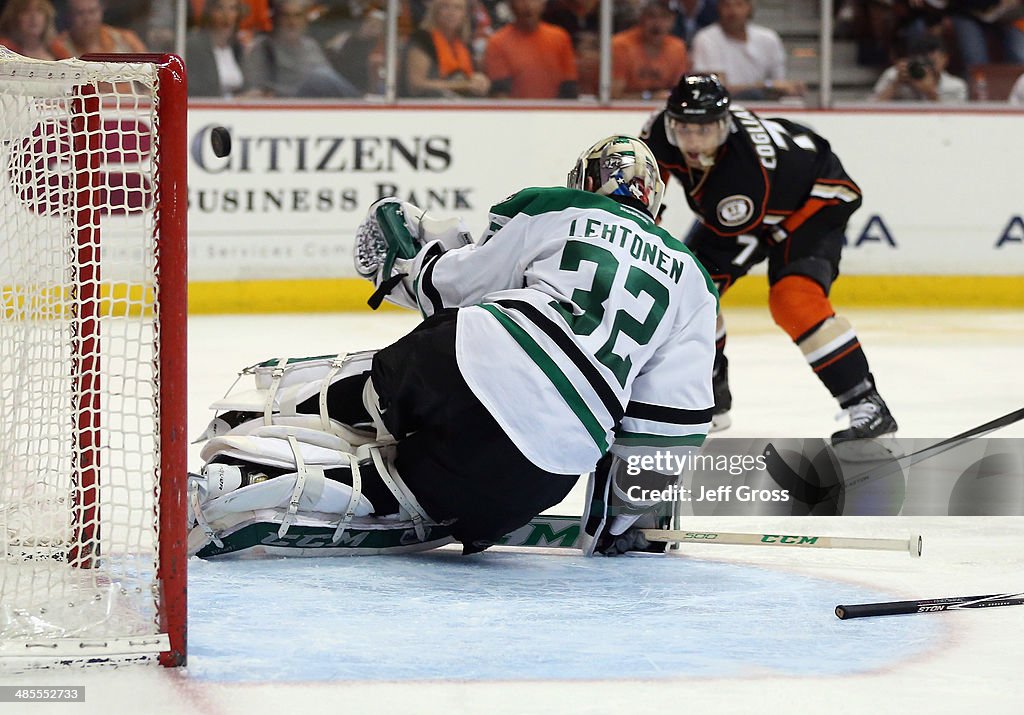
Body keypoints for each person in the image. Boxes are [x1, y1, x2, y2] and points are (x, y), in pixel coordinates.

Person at [187, 135, 718, 559]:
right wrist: (618, 520)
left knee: (373, 392)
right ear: (657, 203)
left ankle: (249, 421)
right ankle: (256, 483)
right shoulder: (694, 282)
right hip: (543, 466)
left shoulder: (557, 209)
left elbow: (455, 287)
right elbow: (667, 425)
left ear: (583, 182)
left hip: (466, 361)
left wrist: (413, 267)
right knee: (409, 493)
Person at [640, 74, 898, 446]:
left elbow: (742, 234)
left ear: (724, 124)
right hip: (751, 203)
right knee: (687, 290)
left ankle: (866, 403)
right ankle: (710, 400)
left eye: (705, 130)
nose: (693, 143)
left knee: (792, 299)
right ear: (669, 121)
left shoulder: (742, 174)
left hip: (817, 199)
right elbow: (649, 186)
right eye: (684, 130)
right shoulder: (659, 132)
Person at [689, 0, 804, 100]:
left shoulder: (769, 38)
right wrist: (765, 86)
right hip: (724, 109)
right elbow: (717, 89)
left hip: (766, 107)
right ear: (719, 8)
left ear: (750, 7)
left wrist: (791, 88)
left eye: (739, 4)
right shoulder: (706, 38)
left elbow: (781, 84)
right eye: (727, 5)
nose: (733, 11)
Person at [243, 0, 361, 97]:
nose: (292, 22)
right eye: (286, 16)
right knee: (320, 76)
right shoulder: (264, 47)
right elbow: (256, 89)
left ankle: (359, 103)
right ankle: (360, 105)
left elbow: (331, 80)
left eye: (297, 16)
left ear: (305, 20)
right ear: (277, 19)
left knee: (323, 76)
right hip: (286, 104)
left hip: (315, 105)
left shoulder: (311, 45)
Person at [483, 0, 578, 98]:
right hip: (516, 111)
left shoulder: (560, 38)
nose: (528, 6)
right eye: (521, 1)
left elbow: (569, 89)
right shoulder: (498, 43)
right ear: (511, 5)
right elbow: (500, 95)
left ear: (543, 3)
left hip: (555, 112)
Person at [400, 0, 490, 98]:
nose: (451, 13)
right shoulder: (421, 39)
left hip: (462, 107)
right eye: (445, 7)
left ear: (465, 14)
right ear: (435, 11)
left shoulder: (465, 44)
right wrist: (463, 85)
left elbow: (470, 77)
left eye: (458, 8)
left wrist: (480, 81)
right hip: (425, 107)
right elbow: (416, 85)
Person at [611, 0, 690, 100]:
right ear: (641, 18)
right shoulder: (621, 45)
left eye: (664, 17)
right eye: (651, 16)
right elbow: (614, 96)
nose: (657, 24)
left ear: (673, 20)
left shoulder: (677, 47)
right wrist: (649, 97)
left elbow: (680, 93)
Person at [870, 32, 968, 102]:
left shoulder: (956, 86)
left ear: (945, 59)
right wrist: (896, 84)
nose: (927, 67)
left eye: (932, 62)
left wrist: (930, 93)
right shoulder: (894, 74)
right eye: (923, 61)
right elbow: (870, 110)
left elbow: (953, 121)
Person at [186, 0, 251, 98]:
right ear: (209, 12)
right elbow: (195, 91)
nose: (227, 15)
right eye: (220, 8)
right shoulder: (193, 46)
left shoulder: (238, 48)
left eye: (232, 8)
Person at [50, 0, 147, 56]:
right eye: (80, 13)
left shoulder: (126, 38)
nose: (87, 18)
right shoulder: (59, 46)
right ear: (69, 15)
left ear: (101, 11)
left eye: (92, 11)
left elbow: (150, 74)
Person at [0, 0, 67, 59]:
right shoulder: (4, 50)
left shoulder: (57, 51)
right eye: (26, 11)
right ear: (14, 17)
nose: (33, 17)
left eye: (39, 10)